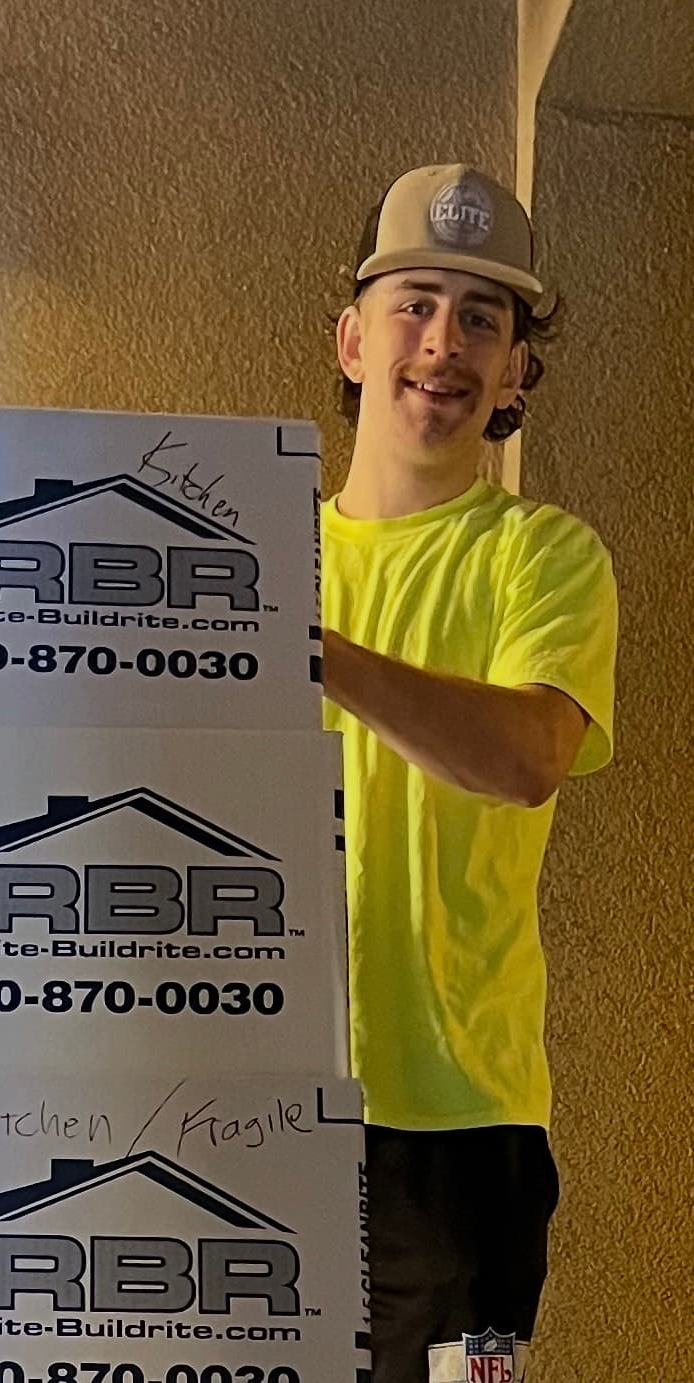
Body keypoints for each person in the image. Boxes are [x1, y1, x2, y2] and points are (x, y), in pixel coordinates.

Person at [320, 164, 618, 1383]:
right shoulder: (246, 555)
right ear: (351, 338)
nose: (440, 343)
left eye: (481, 319)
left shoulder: (540, 558)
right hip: (246, 1094)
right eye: (413, 303)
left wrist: (308, 650)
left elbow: (524, 756)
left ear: (514, 376)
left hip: (456, 1126)